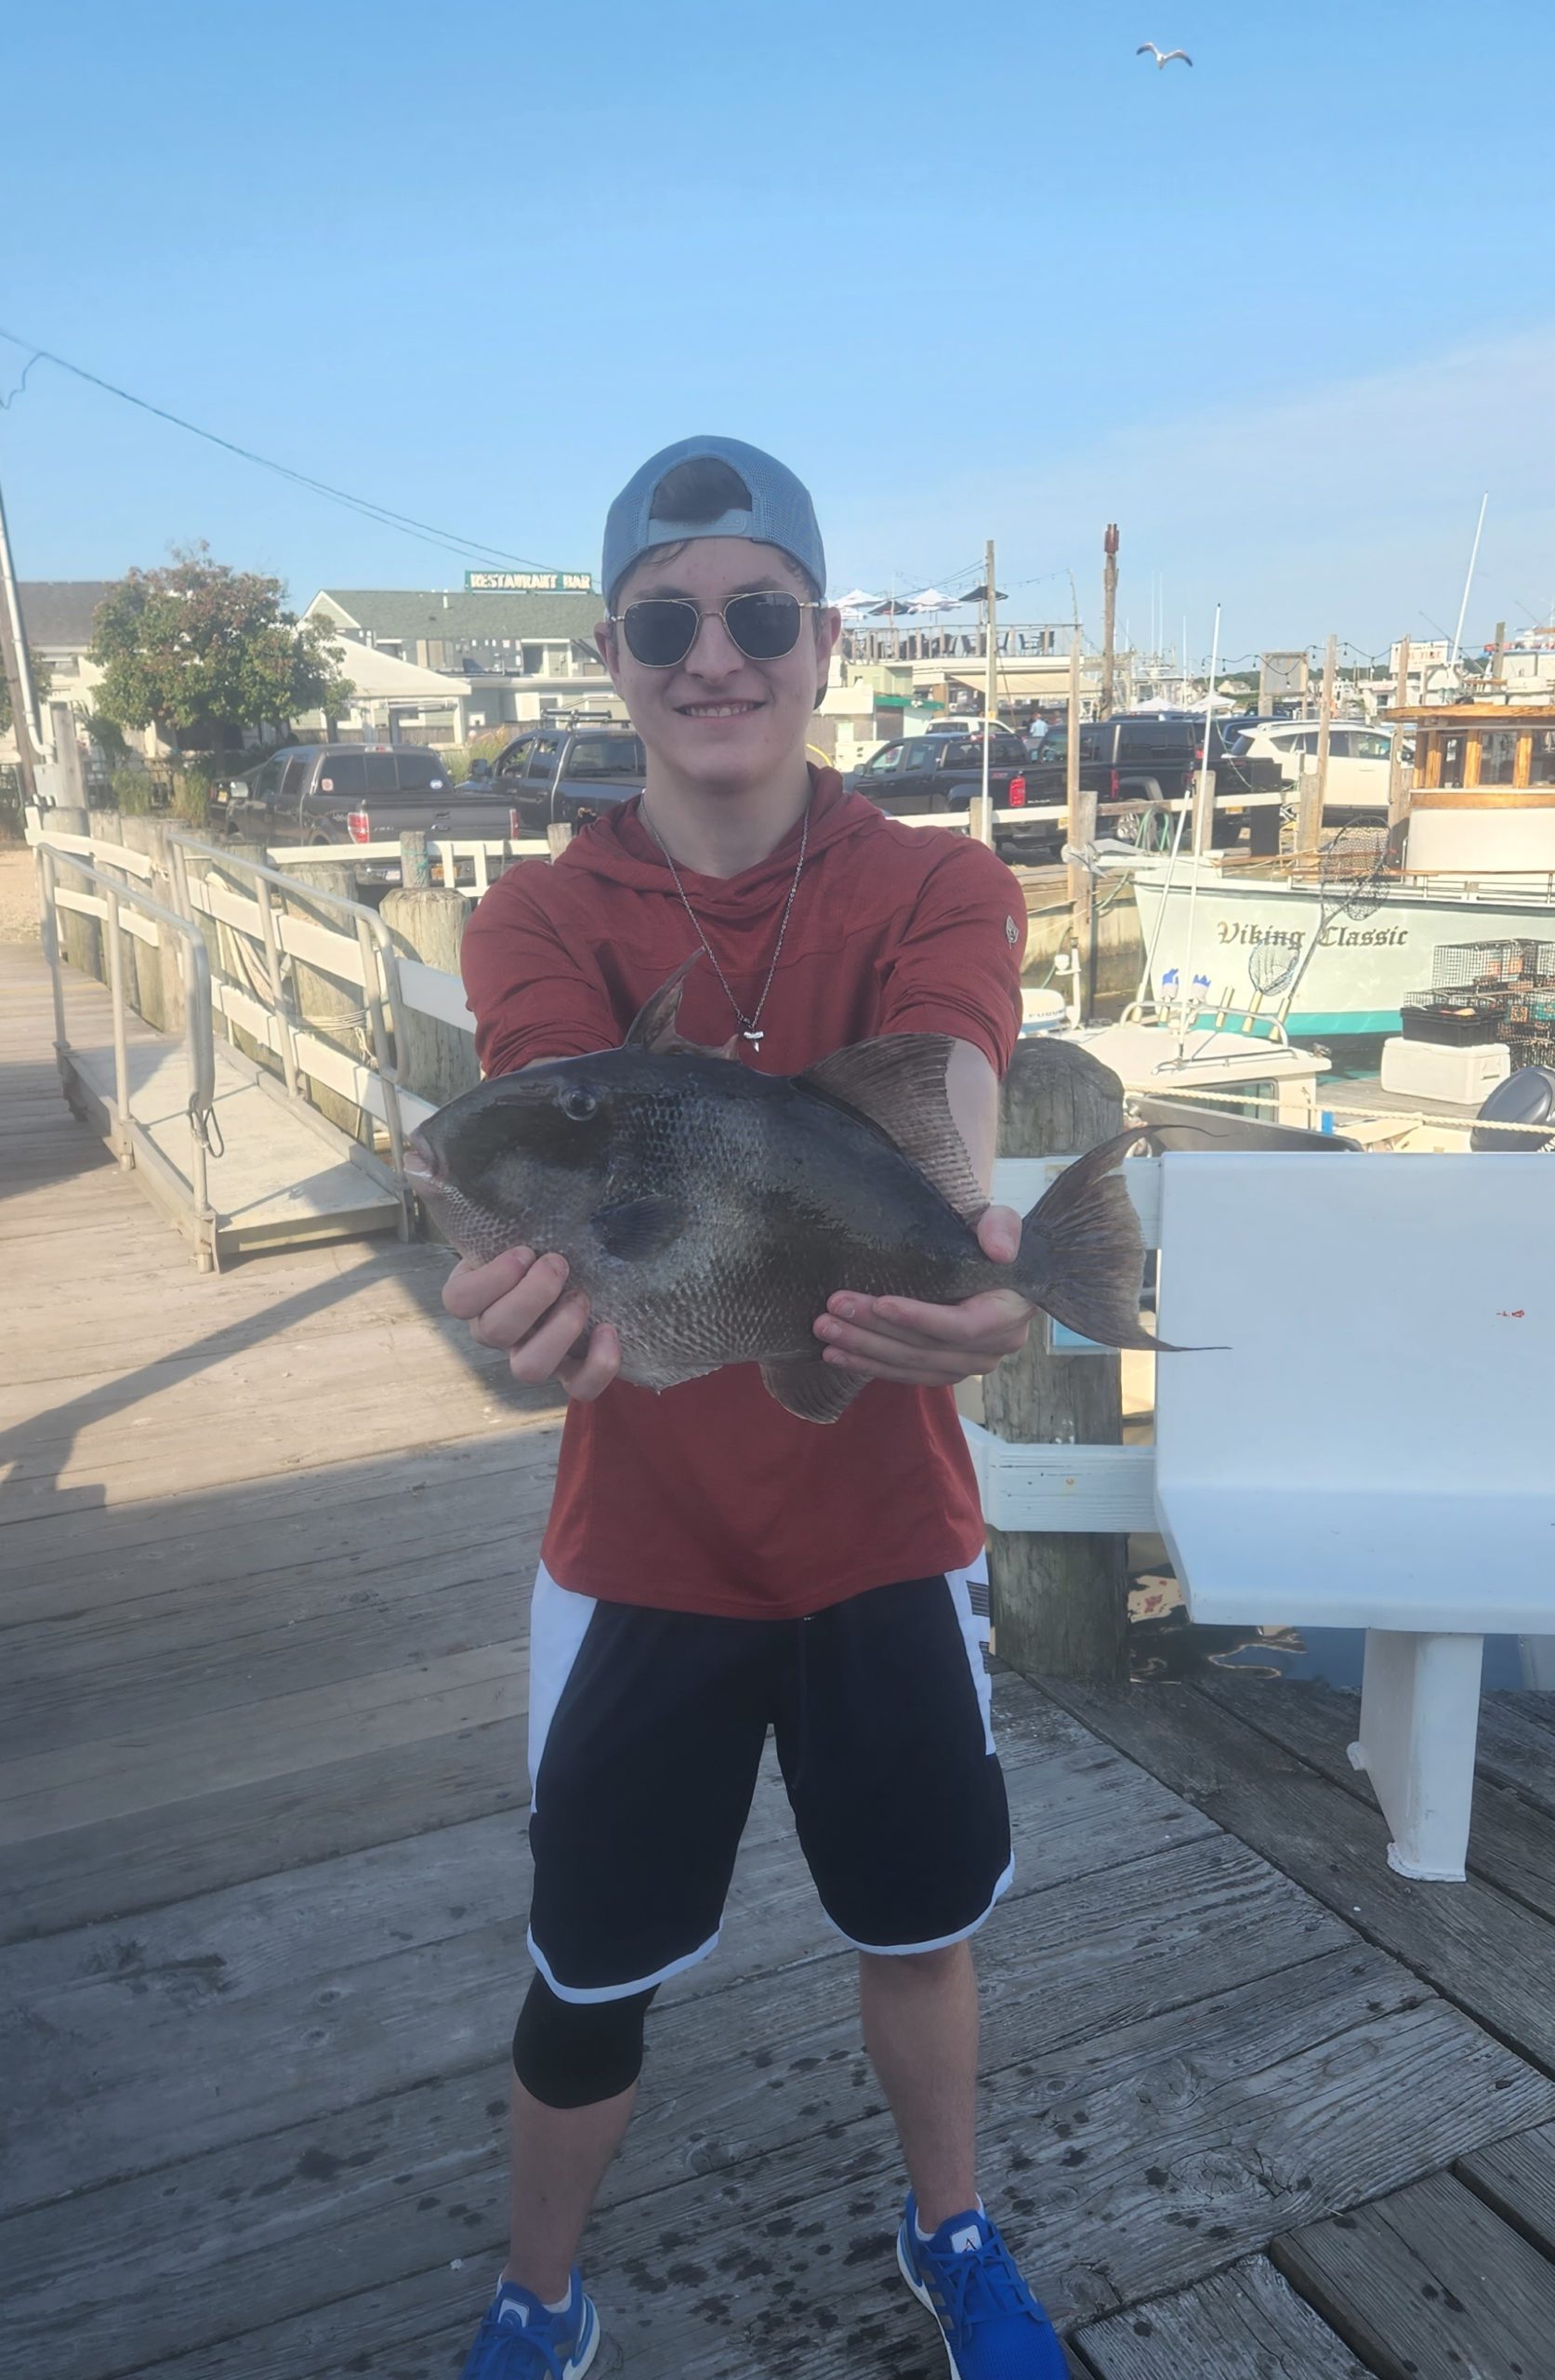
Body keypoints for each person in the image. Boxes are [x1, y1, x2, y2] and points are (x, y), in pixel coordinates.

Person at [449, 435, 1069, 2380]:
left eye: (756, 613)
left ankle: (951, 2226)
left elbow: (948, 1077)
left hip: (886, 1526)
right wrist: (524, 1307)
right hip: (639, 1548)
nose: (712, 655)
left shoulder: (938, 876)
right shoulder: (538, 916)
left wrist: (975, 1265)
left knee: (922, 1927)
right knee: (588, 1969)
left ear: (819, 639)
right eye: (665, 620)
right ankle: (539, 2290)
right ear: (614, 655)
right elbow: (563, 1137)